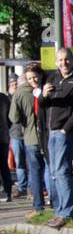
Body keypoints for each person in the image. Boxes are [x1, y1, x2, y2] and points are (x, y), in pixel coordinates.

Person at [41, 48, 73, 228]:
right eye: (60, 60)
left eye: (67, 60)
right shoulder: (53, 79)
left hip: (65, 132)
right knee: (55, 173)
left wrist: (66, 129)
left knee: (62, 171)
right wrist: (44, 95)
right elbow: (44, 106)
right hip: (52, 131)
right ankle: (60, 210)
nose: (63, 63)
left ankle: (66, 212)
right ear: (56, 62)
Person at [10, 63, 48, 219]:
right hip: (47, 137)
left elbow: (14, 118)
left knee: (36, 172)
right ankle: (55, 203)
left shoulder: (20, 93)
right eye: (31, 78)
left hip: (31, 137)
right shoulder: (48, 87)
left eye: (34, 77)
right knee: (51, 171)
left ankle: (39, 206)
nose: (33, 80)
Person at [7, 77, 26, 201]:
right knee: (19, 162)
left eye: (16, 83)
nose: (14, 85)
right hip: (15, 134)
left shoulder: (22, 96)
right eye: (12, 84)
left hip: (26, 133)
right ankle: (22, 186)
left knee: (31, 162)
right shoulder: (7, 99)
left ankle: (30, 186)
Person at [0, 79, 11, 201]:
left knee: (4, 165)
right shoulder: (3, 98)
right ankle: (8, 191)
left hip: (3, 136)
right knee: (4, 165)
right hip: (3, 136)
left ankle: (7, 191)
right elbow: (10, 119)